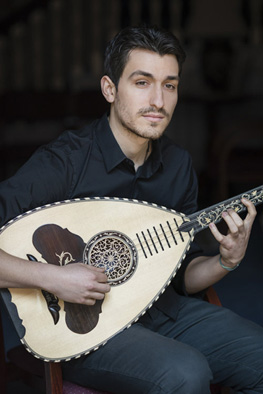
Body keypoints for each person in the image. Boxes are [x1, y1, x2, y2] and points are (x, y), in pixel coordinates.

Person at [0, 26, 262, 393]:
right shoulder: (64, 162)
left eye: (169, 85)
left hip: (166, 312)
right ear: (110, 88)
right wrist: (52, 278)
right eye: (142, 82)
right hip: (87, 331)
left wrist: (225, 261)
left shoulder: (178, 165)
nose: (158, 99)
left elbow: (182, 274)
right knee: (186, 374)